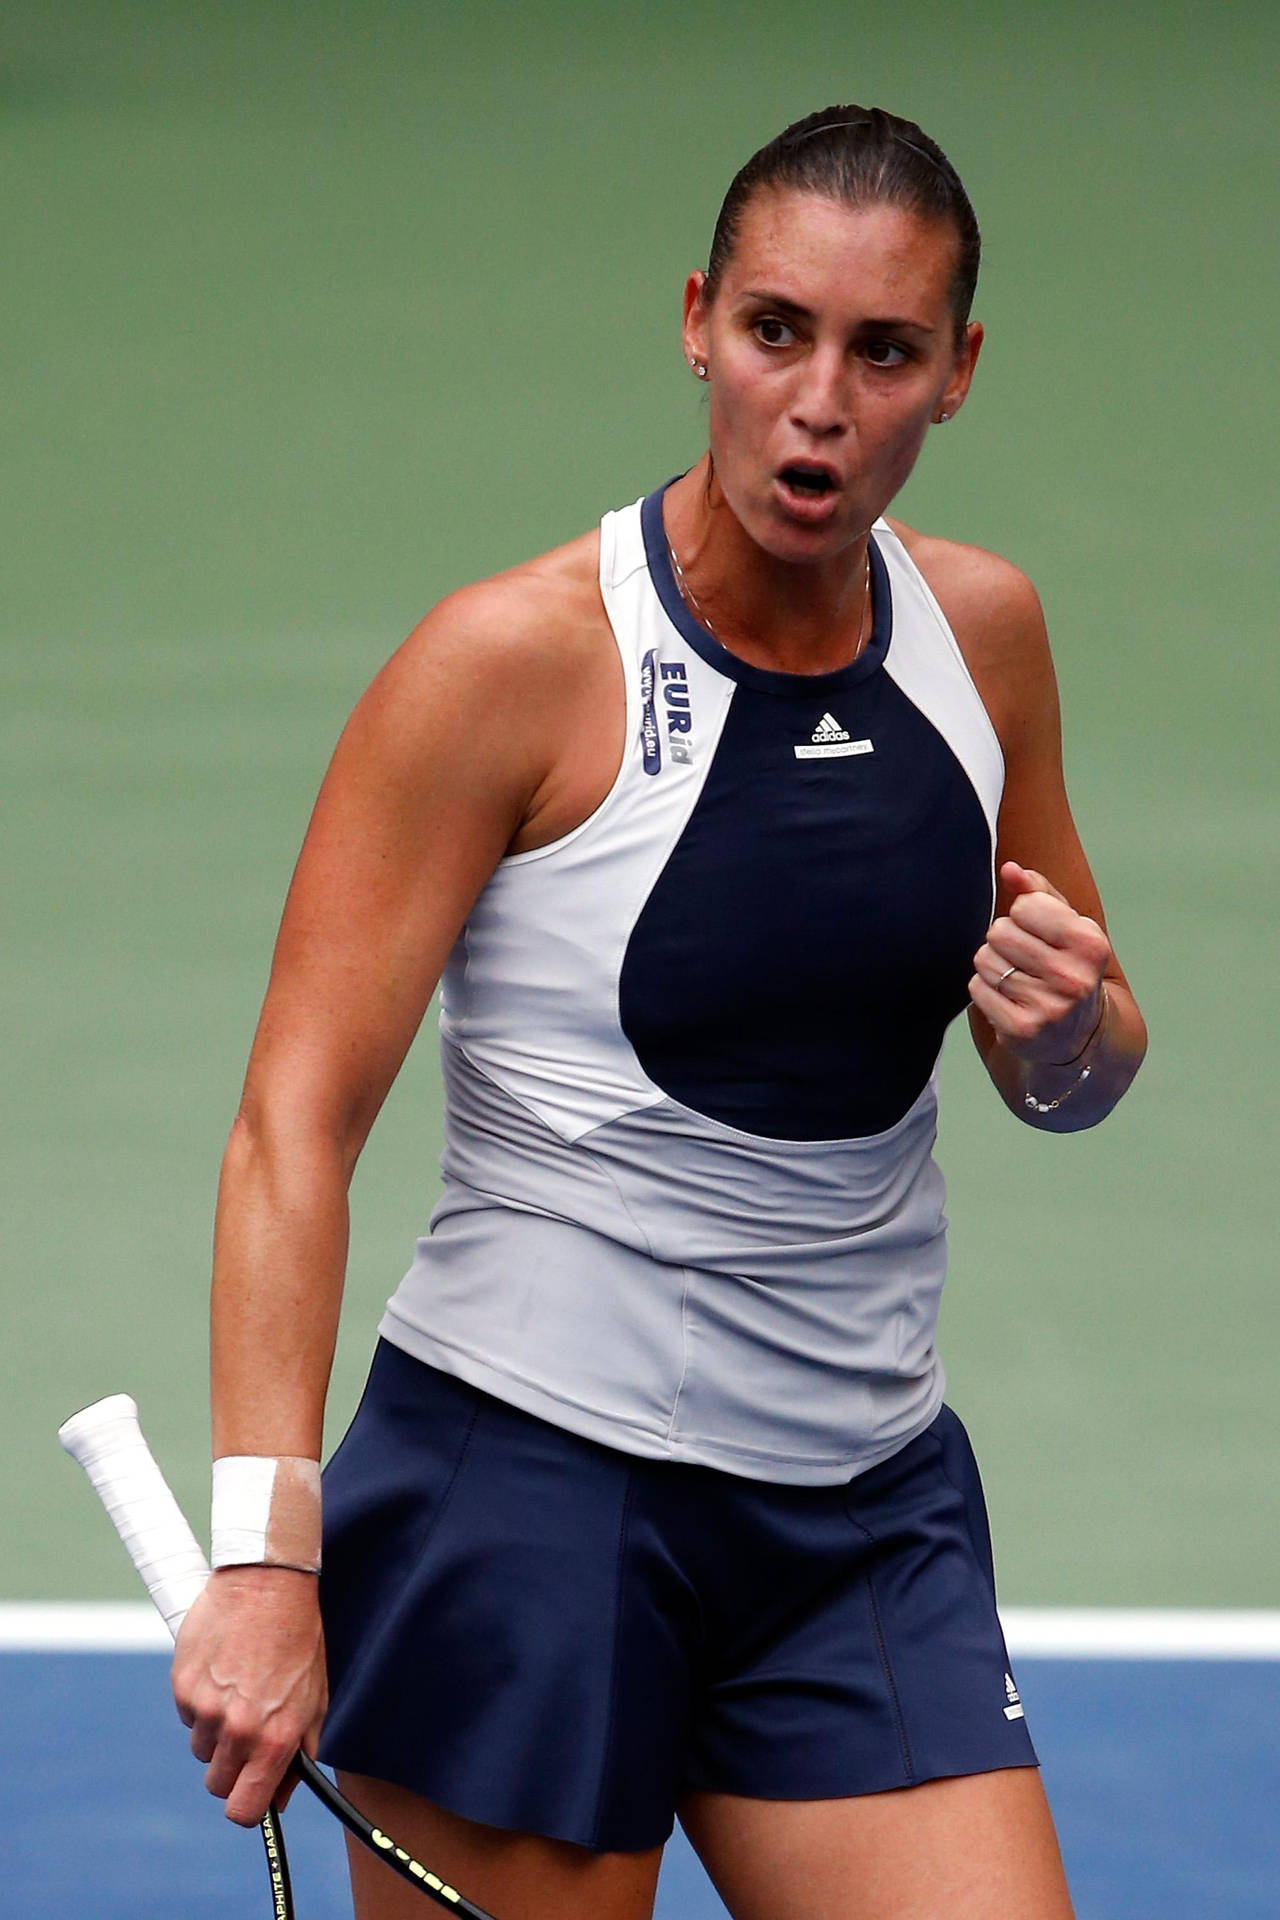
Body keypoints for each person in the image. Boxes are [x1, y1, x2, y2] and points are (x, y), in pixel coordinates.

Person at [172, 104, 1146, 1920]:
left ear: (960, 374)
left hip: (862, 1512)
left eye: (886, 352)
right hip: (529, 1502)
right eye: (778, 330)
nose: (821, 401)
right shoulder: (513, 664)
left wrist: (1068, 1034)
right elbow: (291, 1121)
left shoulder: (985, 639)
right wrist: (264, 1557)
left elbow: (1079, 1068)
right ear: (697, 318)